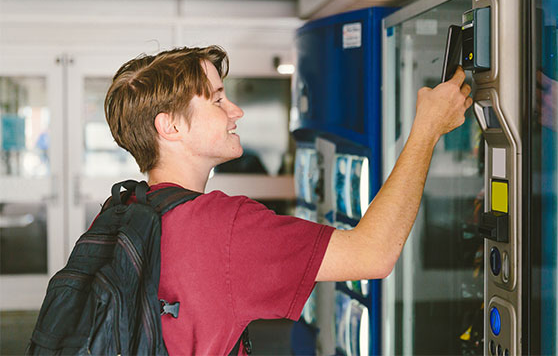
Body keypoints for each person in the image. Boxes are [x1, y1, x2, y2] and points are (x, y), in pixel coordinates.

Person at [104, 46, 472, 355]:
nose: (236, 111)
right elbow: (373, 254)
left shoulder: (118, 214)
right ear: (170, 127)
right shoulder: (224, 227)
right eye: (217, 100)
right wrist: (428, 128)